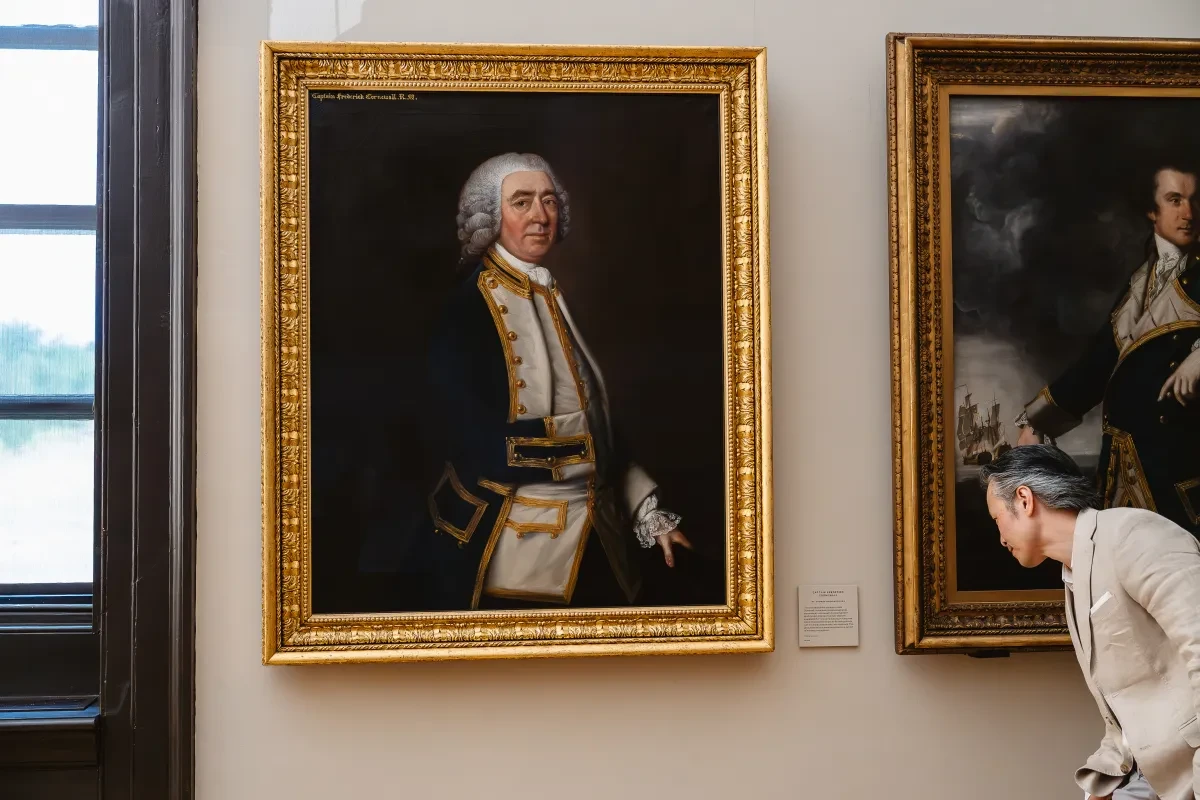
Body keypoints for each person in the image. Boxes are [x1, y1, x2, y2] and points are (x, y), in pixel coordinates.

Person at [420, 152, 691, 611]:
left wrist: (647, 509)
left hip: (596, 531)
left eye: (548, 201)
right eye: (522, 202)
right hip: (513, 545)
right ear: (491, 215)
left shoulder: (551, 290)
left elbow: (599, 417)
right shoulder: (466, 309)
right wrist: (581, 446)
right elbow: (470, 440)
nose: (540, 216)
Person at [979, 445, 1200, 800]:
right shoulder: (1074, 573)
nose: (1000, 536)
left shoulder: (1133, 534)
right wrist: (1103, 781)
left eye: (996, 519)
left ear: (1024, 500)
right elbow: (1126, 700)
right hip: (1145, 777)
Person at [1015, 163, 1200, 537]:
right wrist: (1038, 420)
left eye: (1194, 200)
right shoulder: (1139, 280)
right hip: (1123, 471)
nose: (1189, 213)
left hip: (1181, 475)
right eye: (1175, 200)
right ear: (1152, 210)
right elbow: (1099, 365)